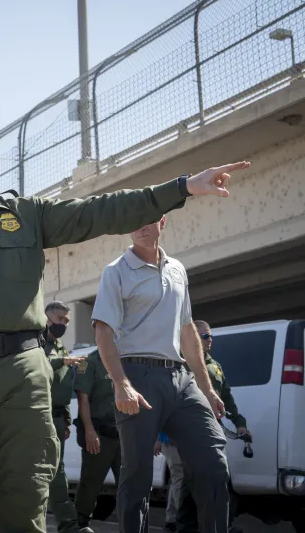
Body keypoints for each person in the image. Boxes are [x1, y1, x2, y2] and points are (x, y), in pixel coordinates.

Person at [0, 119, 248, 533]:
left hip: (23, 375)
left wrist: (182, 188)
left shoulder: (27, 215)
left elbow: (100, 211)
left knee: (26, 492)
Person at [92, 214, 243, 533]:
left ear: (163, 222)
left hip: (180, 378)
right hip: (136, 375)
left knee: (213, 463)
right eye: (132, 220)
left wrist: (207, 388)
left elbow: (188, 331)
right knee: (137, 474)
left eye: (147, 220)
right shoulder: (116, 271)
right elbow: (103, 330)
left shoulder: (177, 269)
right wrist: (121, 384)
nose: (140, 227)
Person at [175, 320, 250, 533]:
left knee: (204, 478)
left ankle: (200, 526)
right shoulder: (182, 363)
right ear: (194, 339)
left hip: (213, 428)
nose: (210, 340)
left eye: (210, 336)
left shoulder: (215, 366)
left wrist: (240, 423)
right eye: (205, 336)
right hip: (191, 429)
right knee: (200, 477)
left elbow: (226, 396)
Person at [42, 301, 84, 533]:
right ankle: (68, 525)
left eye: (67, 320)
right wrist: (61, 361)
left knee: (57, 471)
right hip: (39, 416)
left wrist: (67, 418)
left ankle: (68, 525)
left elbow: (64, 384)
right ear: (46, 317)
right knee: (49, 472)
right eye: (60, 319)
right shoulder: (36, 342)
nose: (63, 324)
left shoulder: (60, 346)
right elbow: (36, 366)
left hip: (57, 418)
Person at [73, 349, 120, 533]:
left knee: (128, 482)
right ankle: (81, 525)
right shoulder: (90, 362)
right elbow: (82, 399)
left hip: (122, 432)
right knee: (90, 483)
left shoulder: (124, 360)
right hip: (99, 434)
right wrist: (89, 431)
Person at [153, 431, 183, 532]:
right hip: (170, 442)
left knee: (176, 480)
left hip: (177, 441)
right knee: (179, 479)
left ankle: (171, 519)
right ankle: (183, 517)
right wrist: (158, 439)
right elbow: (161, 416)